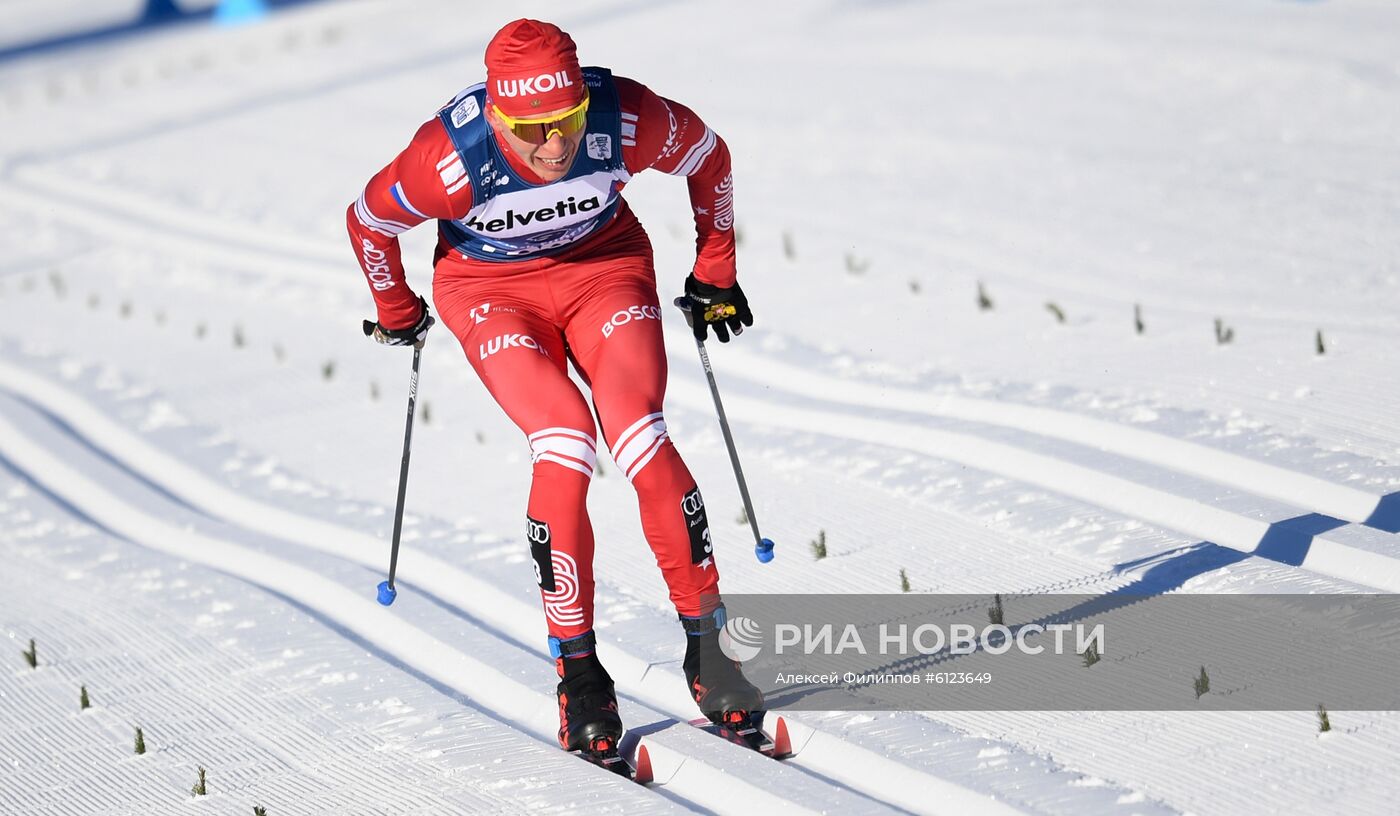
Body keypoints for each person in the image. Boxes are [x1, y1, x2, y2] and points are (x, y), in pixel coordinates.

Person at [346, 18, 762, 758]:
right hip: (489, 289)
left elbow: (710, 157)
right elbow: (370, 222)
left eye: (566, 120)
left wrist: (716, 270)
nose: (555, 145)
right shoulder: (446, 161)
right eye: (530, 129)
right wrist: (396, 309)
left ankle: (711, 648)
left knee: (639, 431)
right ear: (498, 114)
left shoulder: (627, 116)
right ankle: (579, 675)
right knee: (565, 440)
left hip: (604, 268)